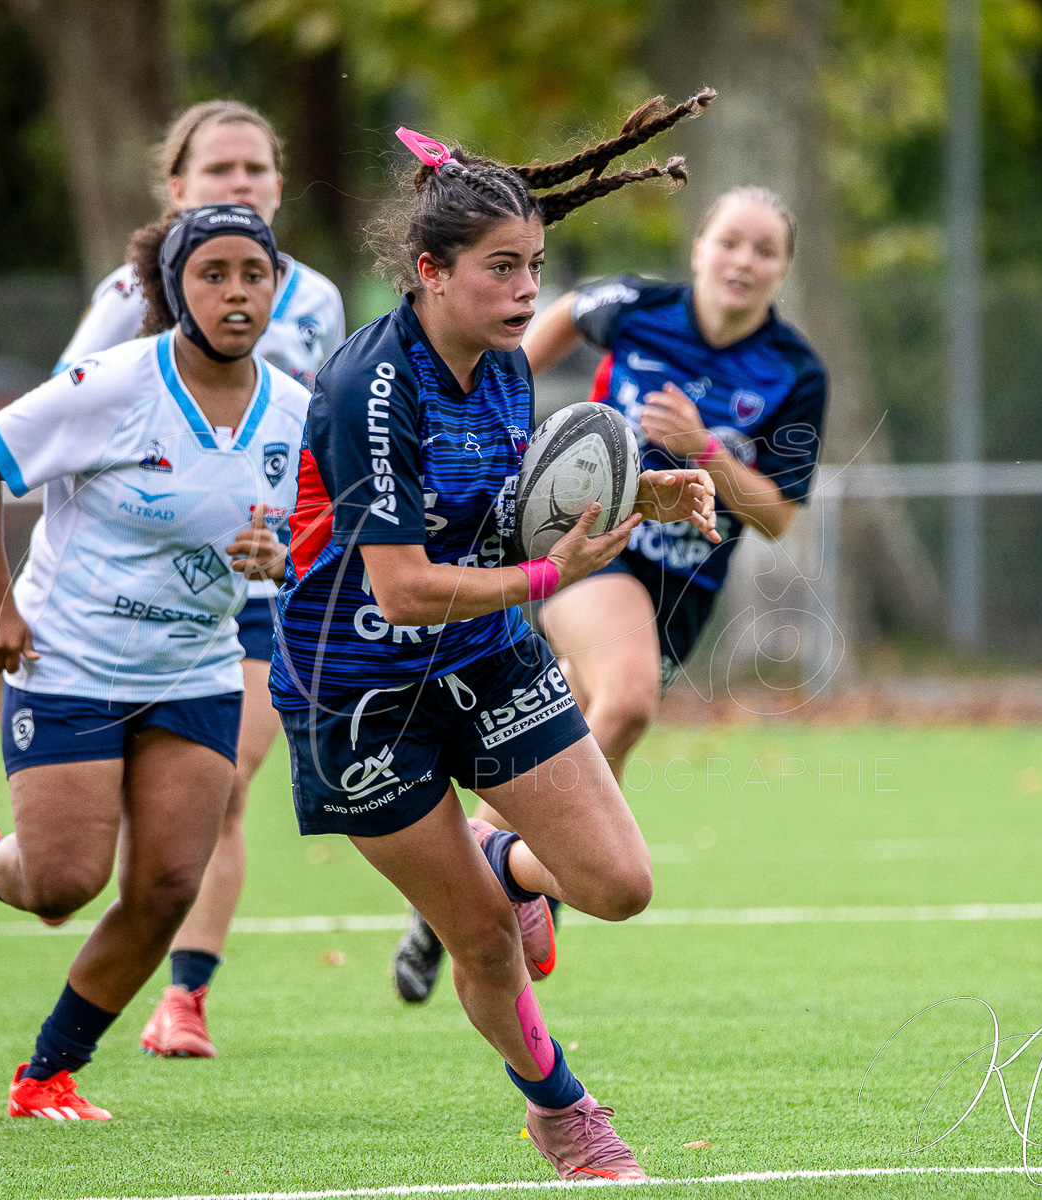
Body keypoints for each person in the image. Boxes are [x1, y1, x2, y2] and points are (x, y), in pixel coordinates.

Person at [272, 93, 716, 1179]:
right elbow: (406, 585)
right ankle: (565, 1113)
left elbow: (508, 498)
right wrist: (550, 577)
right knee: (477, 939)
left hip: (482, 653)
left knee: (617, 886)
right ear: (430, 273)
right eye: (501, 270)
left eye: (534, 266)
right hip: (359, 687)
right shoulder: (369, 385)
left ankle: (503, 859)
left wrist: (641, 495)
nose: (528, 293)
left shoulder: (509, 364)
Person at [0, 203, 308, 1121]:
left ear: (276, 285)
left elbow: (323, 538)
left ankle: (48, 1070)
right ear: (176, 289)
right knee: (60, 885)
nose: (235, 292)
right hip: (70, 661)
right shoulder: (113, 384)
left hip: (196, 668)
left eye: (253, 273)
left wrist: (282, 558)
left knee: (170, 883)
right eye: (212, 274)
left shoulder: (299, 409)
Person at [391, 185, 829, 1003]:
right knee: (625, 705)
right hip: (589, 548)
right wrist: (496, 427)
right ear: (699, 247)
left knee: (587, 733)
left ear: (782, 271)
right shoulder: (632, 304)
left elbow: (775, 516)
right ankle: (524, 878)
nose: (744, 261)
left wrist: (706, 451)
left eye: (765, 250)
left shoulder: (795, 371)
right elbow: (520, 351)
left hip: (686, 582)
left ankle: (486, 870)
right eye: (731, 241)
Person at [55, 100, 346, 1058]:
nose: (241, 184)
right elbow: (62, 420)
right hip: (132, 603)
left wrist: (305, 538)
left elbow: (324, 445)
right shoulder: (126, 294)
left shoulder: (316, 298)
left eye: (257, 169)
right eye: (219, 170)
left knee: (228, 781)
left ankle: (186, 995)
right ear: (175, 189)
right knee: (73, 866)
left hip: (268, 591)